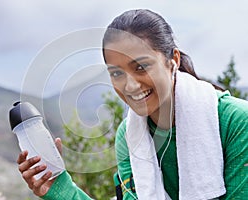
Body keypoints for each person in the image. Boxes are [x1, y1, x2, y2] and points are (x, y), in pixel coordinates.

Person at [17, 9, 248, 200]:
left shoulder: (236, 122)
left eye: (141, 67)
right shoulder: (130, 136)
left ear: (173, 60)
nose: (130, 86)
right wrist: (59, 188)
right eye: (117, 73)